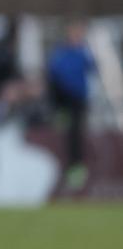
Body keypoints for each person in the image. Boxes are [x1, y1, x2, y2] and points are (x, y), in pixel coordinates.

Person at [47, 20, 95, 191]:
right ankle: (70, 169)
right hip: (65, 99)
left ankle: (77, 169)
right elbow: (53, 75)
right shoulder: (61, 53)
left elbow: (93, 69)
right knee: (68, 135)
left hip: (79, 100)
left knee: (76, 135)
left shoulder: (83, 52)